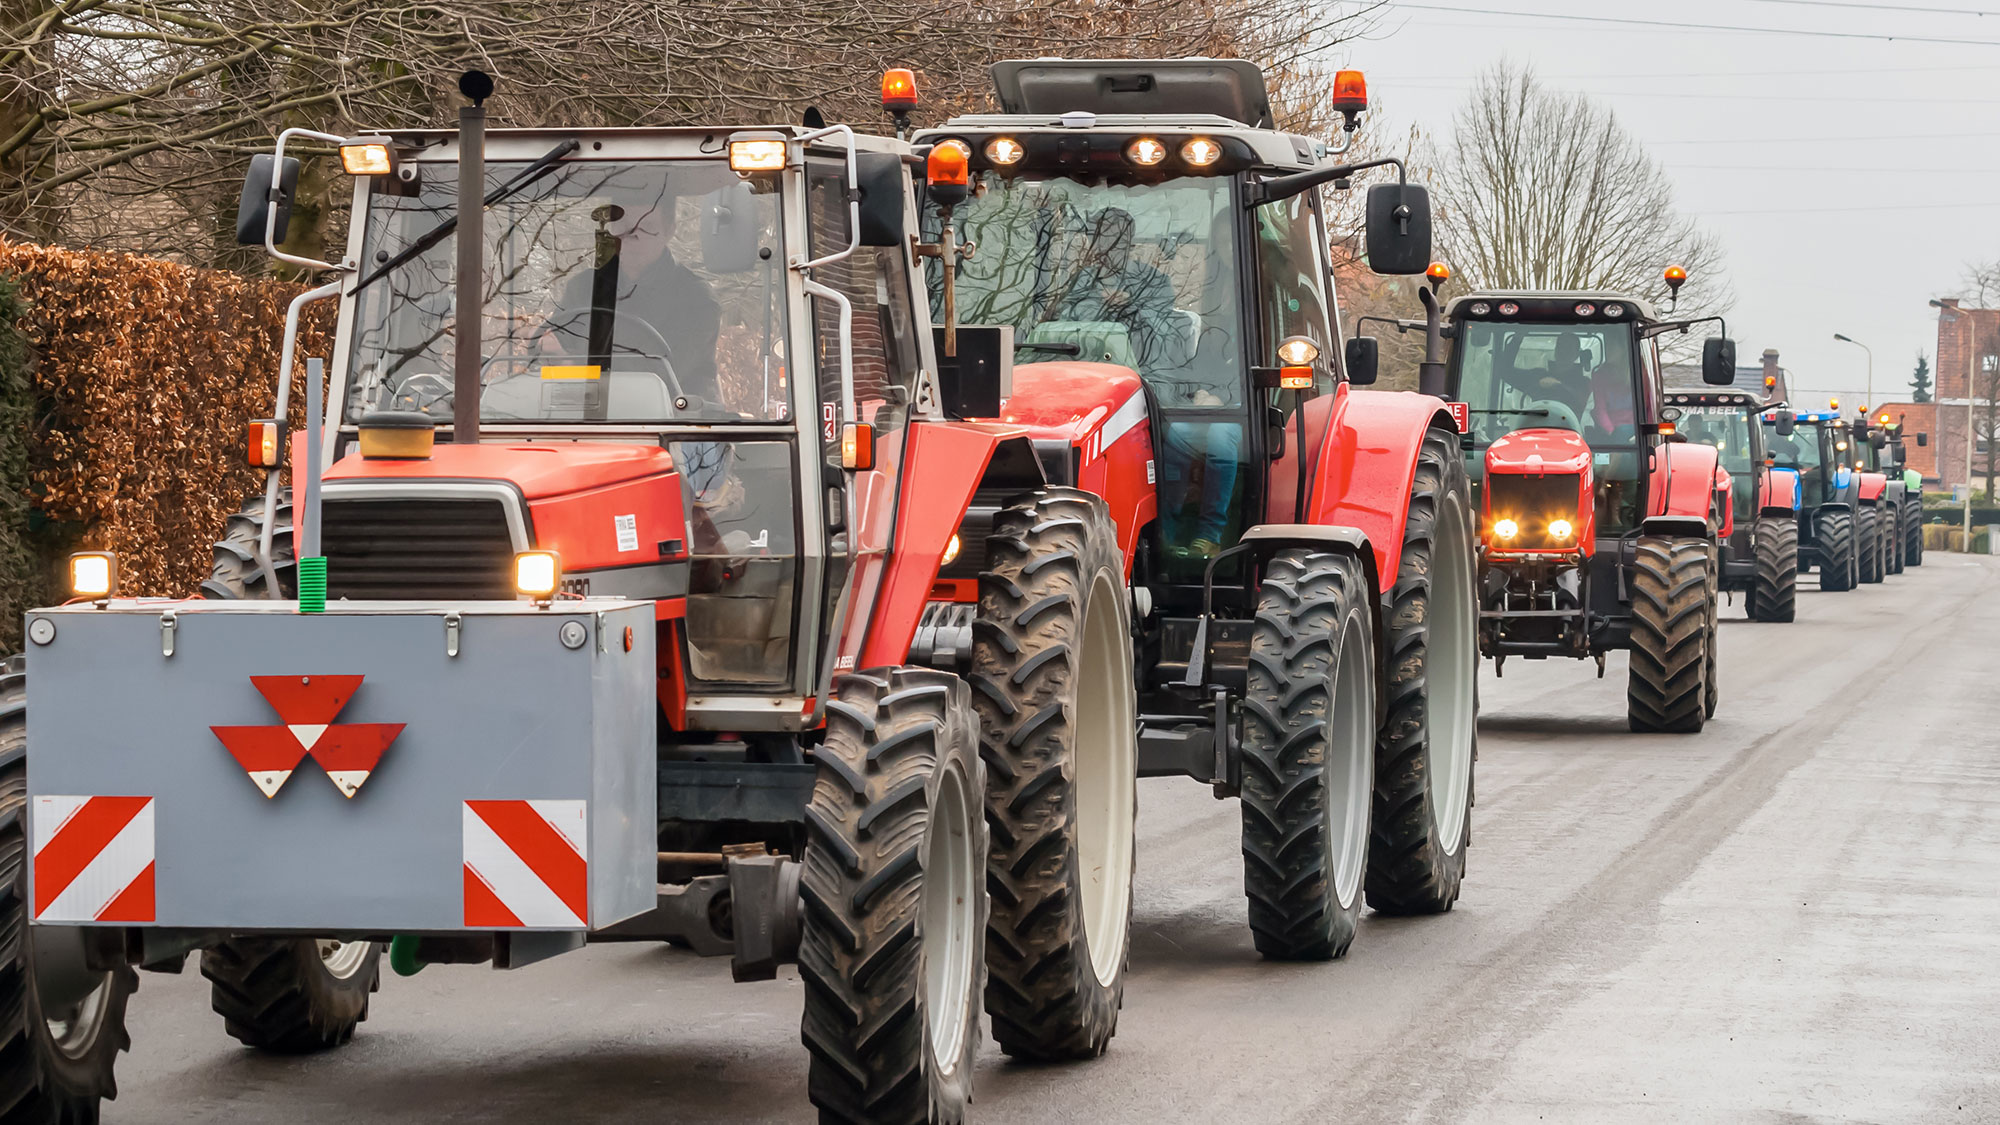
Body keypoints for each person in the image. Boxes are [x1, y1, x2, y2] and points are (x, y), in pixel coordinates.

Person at [544, 199, 722, 398]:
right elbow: (544, 358)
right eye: (622, 225)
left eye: (646, 227)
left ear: (669, 230)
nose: (631, 235)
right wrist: (545, 348)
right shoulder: (583, 288)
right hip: (581, 417)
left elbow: (657, 376)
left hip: (674, 420)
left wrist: (570, 365)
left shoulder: (696, 300)